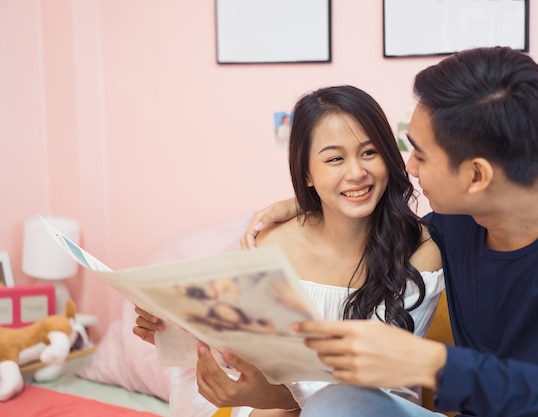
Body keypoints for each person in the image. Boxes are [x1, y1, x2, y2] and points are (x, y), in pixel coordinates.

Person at [241, 46, 538, 417]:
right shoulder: (455, 226)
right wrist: (307, 204)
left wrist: (435, 363)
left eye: (421, 154)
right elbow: (382, 224)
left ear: (477, 175)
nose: (408, 167)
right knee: (336, 404)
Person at [134, 85, 445, 416]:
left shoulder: (420, 250)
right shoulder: (273, 244)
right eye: (335, 159)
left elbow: (382, 384)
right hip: (271, 403)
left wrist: (277, 398)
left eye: (369, 153)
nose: (356, 173)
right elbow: (245, 347)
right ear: (308, 173)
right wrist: (183, 334)